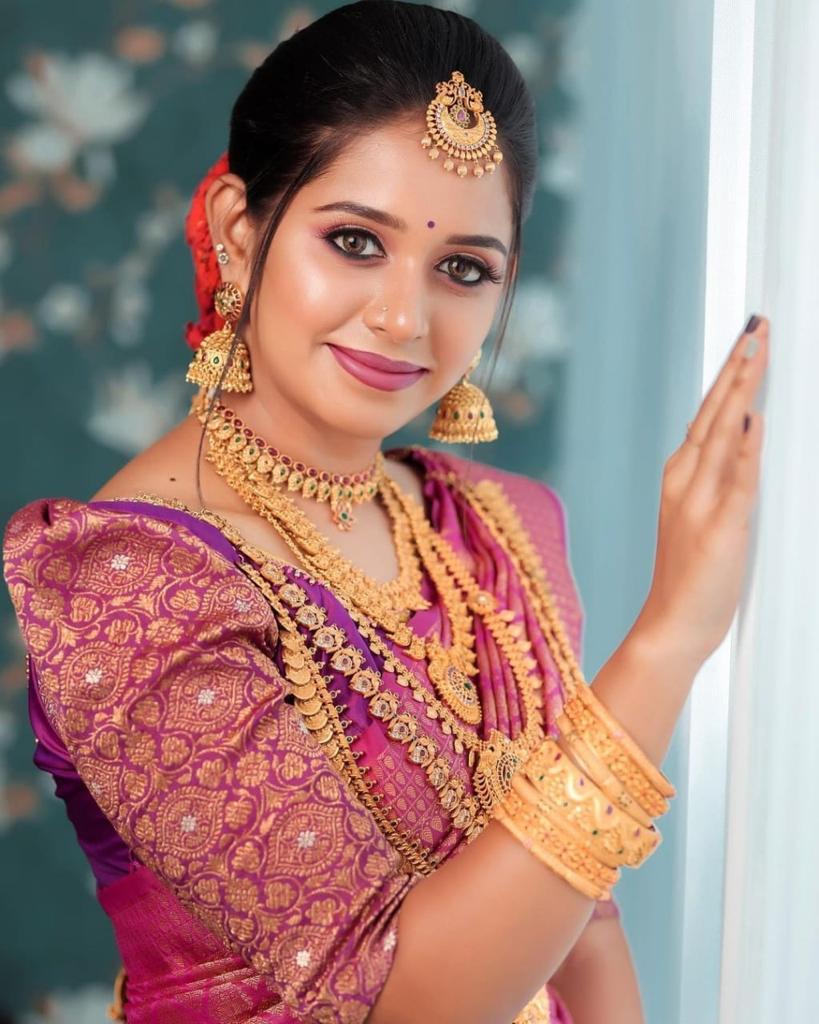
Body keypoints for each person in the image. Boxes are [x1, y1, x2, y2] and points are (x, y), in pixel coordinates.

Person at [1, 2, 769, 1022]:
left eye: (464, 268)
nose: (406, 316)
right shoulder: (130, 580)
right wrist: (669, 640)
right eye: (357, 241)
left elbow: (583, 917)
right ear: (240, 231)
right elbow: (400, 1001)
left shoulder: (498, 528)